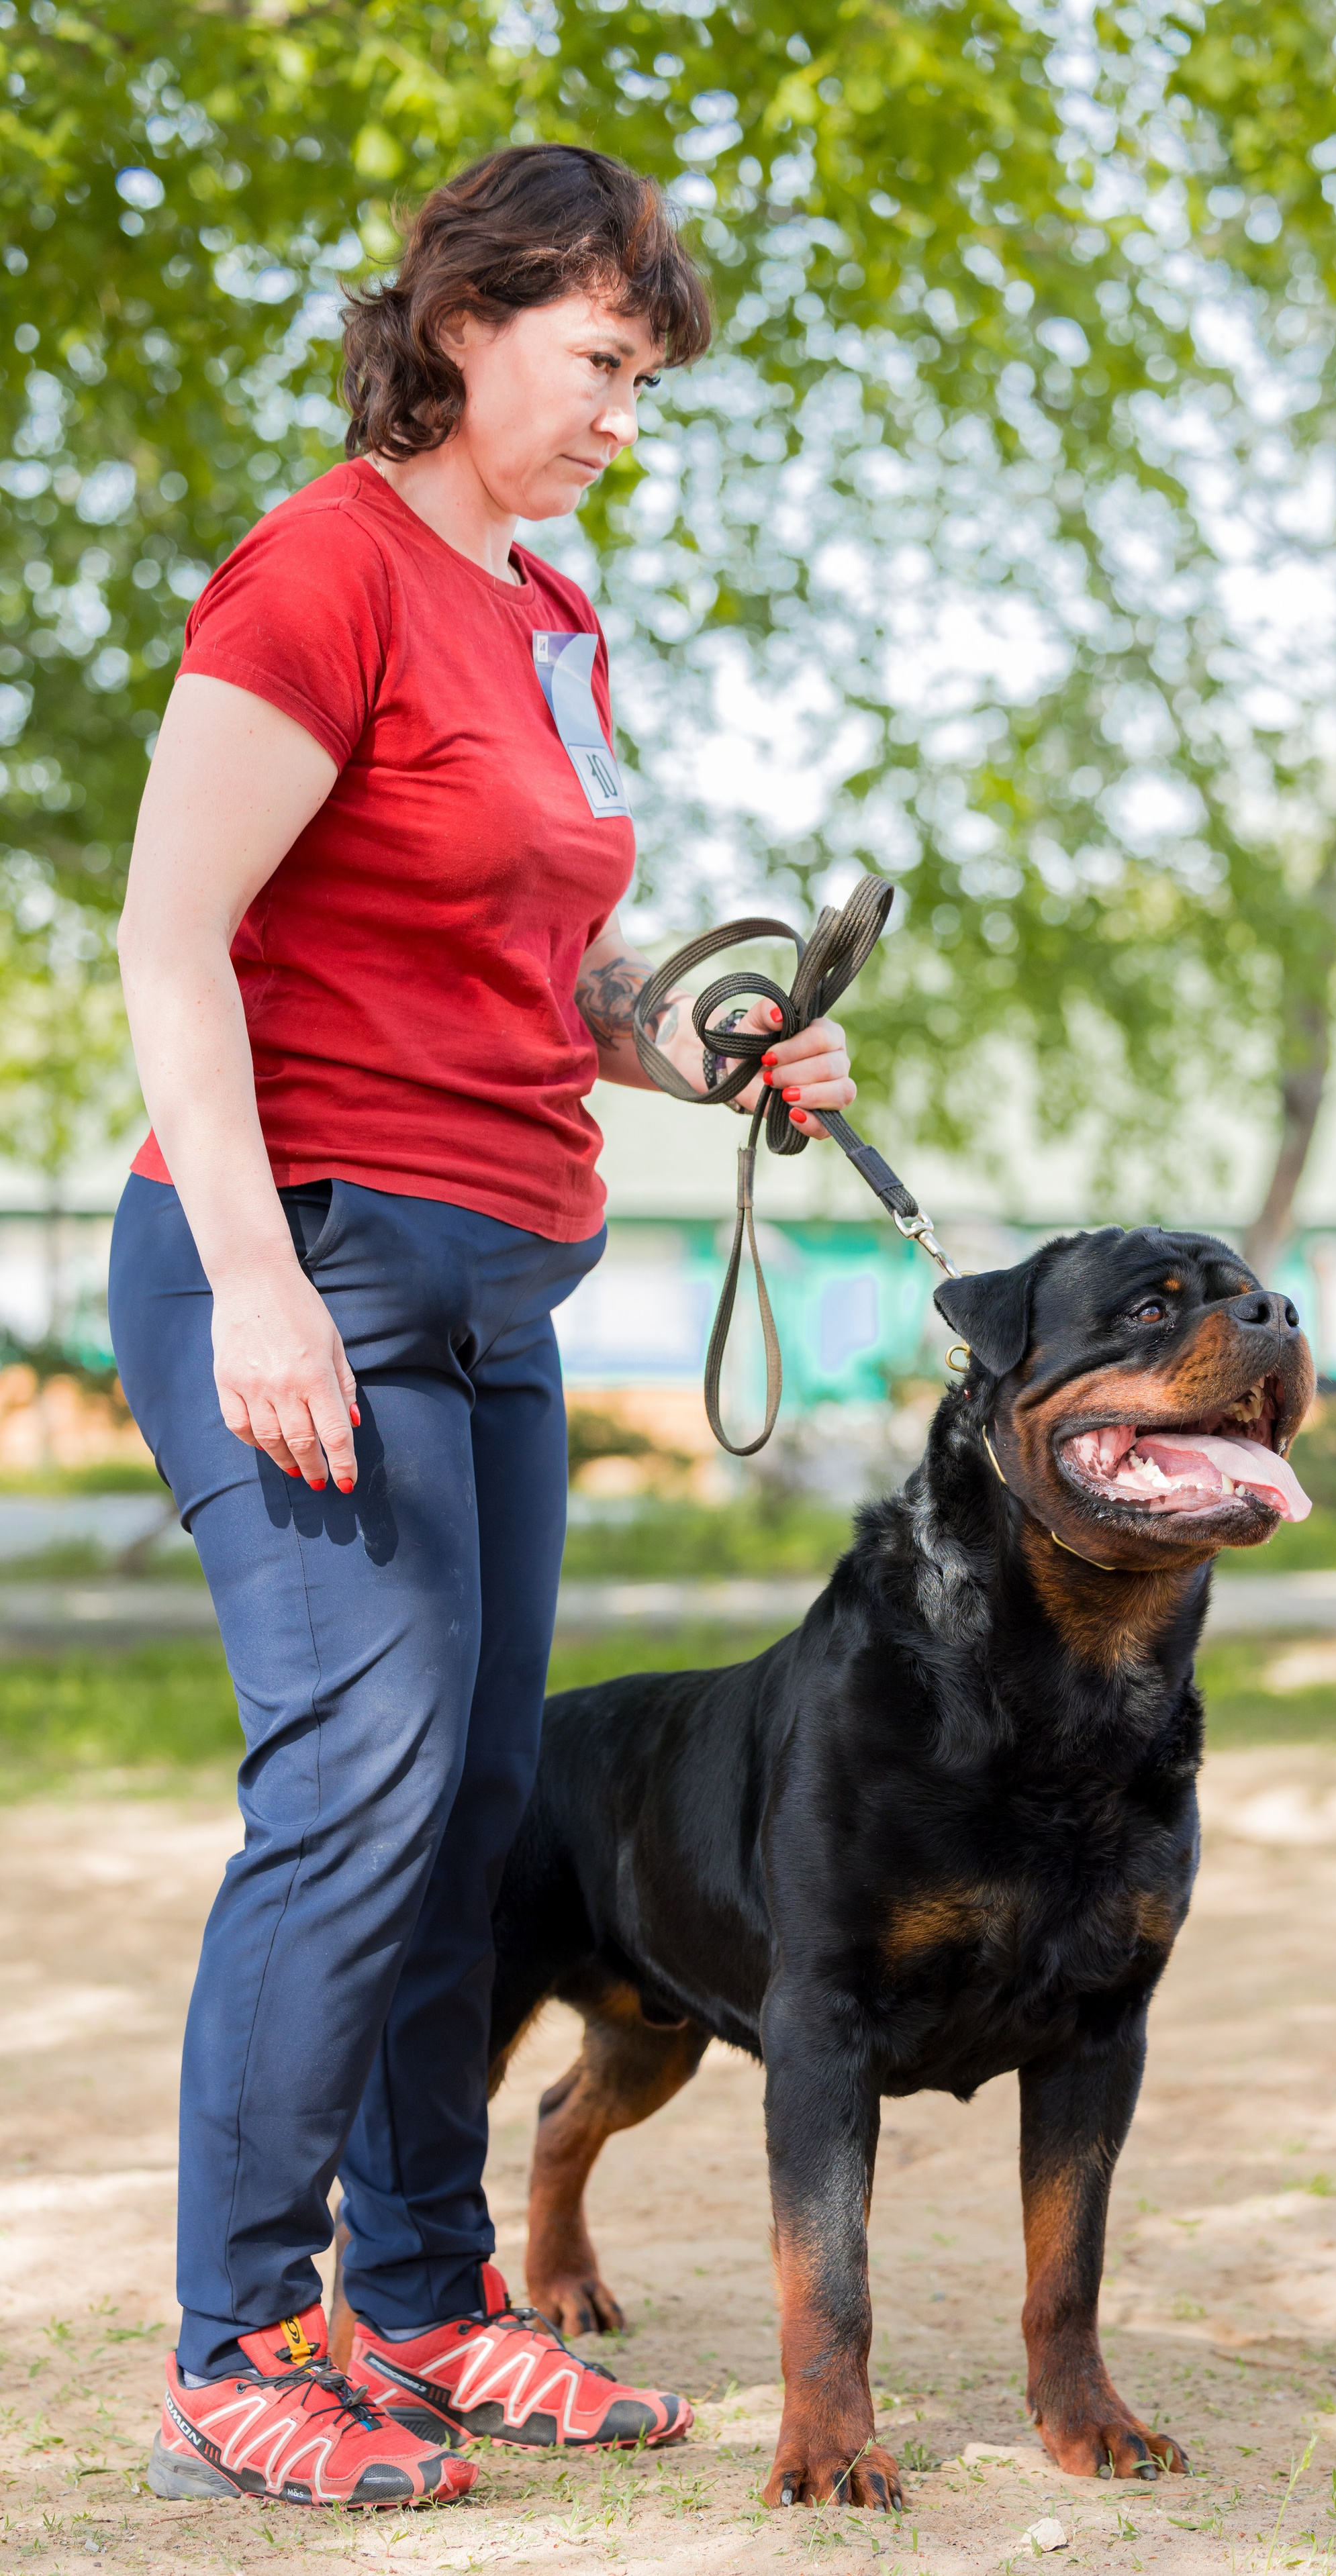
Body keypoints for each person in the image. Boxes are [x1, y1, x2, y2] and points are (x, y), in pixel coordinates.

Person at [109, 144, 858, 2512]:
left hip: (501, 1276)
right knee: (353, 1790)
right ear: (469, 319)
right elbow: (170, 938)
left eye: (649, 379)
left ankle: (425, 2306)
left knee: (464, 1814)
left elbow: (544, 970)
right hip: (302, 1255)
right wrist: (251, 1280)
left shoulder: (550, 607)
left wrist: (710, 1046)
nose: (628, 413)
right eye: (605, 362)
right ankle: (239, 2345)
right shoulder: (318, 568)